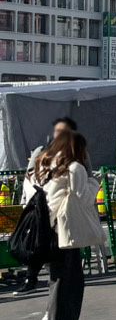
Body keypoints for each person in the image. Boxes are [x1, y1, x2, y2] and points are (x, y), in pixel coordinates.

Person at [29, 130, 106, 320]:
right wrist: (94, 181)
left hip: (47, 228)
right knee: (71, 280)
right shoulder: (74, 168)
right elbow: (84, 197)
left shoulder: (44, 166)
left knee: (57, 277)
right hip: (66, 230)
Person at [13, 116, 78, 296]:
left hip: (44, 212)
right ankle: (38, 280)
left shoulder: (58, 159)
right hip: (48, 214)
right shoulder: (52, 158)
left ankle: (34, 280)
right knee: (47, 249)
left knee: (44, 247)